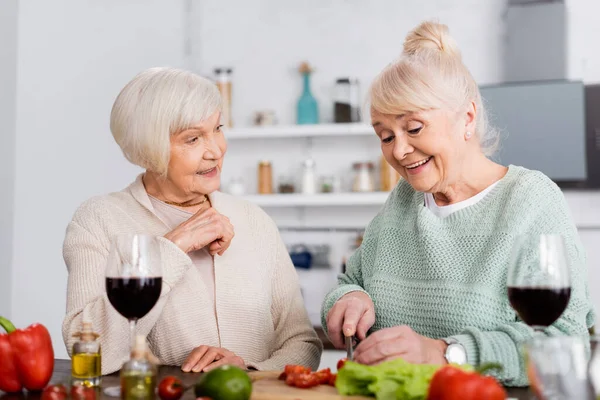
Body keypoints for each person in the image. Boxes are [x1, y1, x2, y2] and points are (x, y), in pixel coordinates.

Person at [321, 21, 595, 385]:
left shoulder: (530, 200)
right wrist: (349, 298)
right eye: (385, 135)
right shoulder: (402, 202)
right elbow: (350, 281)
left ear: (467, 117)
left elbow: (563, 339)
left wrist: (445, 352)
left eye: (414, 128)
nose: (399, 150)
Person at [62, 67, 322, 374]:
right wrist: (173, 247)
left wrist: (250, 371)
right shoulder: (100, 219)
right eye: (193, 138)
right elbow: (89, 350)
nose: (215, 150)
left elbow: (302, 342)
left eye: (218, 128)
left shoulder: (253, 219)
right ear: (149, 150)